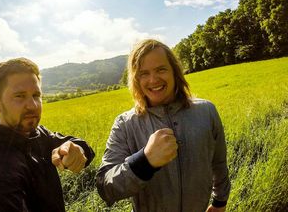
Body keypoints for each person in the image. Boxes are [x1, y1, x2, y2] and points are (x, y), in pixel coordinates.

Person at [96, 39, 230, 212]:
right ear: (135, 79)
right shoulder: (125, 125)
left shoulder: (207, 111)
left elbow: (218, 162)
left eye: (161, 69)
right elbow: (106, 187)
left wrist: (220, 201)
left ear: (175, 71)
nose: (153, 80)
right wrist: (145, 161)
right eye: (144, 73)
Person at [0, 57, 95, 212]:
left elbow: (81, 148)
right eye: (20, 96)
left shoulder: (36, 135)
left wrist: (77, 149)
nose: (32, 105)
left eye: (36, 95)